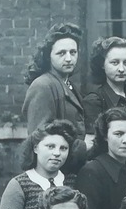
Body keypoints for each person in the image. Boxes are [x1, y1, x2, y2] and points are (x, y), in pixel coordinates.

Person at [20, 23, 88, 170]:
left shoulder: (68, 84)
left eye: (73, 52)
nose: (69, 58)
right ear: (49, 56)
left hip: (72, 166)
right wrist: (84, 146)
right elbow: (41, 136)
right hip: (55, 170)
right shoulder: (43, 86)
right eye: (61, 53)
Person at [82, 36, 126, 127]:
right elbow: (92, 139)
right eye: (115, 62)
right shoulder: (94, 101)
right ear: (102, 64)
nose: (121, 69)